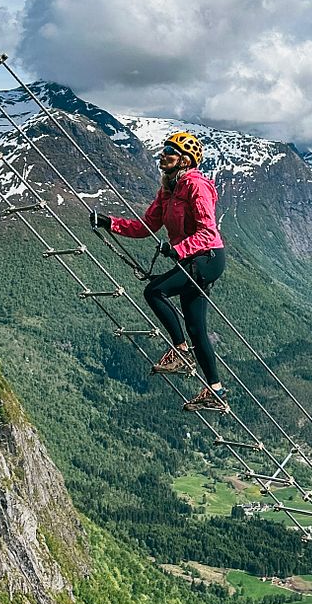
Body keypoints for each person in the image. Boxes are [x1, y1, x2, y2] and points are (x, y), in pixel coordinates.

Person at [91, 131, 227, 412]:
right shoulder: (168, 190)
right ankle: (216, 390)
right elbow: (146, 227)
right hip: (193, 258)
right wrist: (110, 223)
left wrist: (179, 249)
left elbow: (207, 231)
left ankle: (180, 352)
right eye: (164, 149)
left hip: (208, 258)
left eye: (170, 150)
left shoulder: (195, 186)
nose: (162, 155)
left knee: (154, 291)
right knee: (196, 328)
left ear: (185, 160)